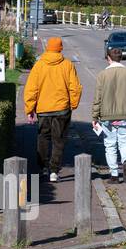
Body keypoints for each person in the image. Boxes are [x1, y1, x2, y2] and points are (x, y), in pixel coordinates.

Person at [22, 36, 83, 184]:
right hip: (62, 109)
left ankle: (42, 168)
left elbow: (31, 89)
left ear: (48, 48)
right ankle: (54, 171)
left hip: (43, 109)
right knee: (59, 140)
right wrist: (73, 104)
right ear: (60, 48)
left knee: (43, 138)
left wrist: (30, 108)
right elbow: (75, 87)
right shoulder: (67, 65)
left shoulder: (39, 65)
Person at [92, 46, 126, 184]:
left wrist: (94, 117)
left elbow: (98, 98)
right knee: (125, 141)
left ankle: (114, 175)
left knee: (110, 145)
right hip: (125, 115)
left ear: (108, 58)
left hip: (106, 116)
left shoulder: (102, 75)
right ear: (121, 58)